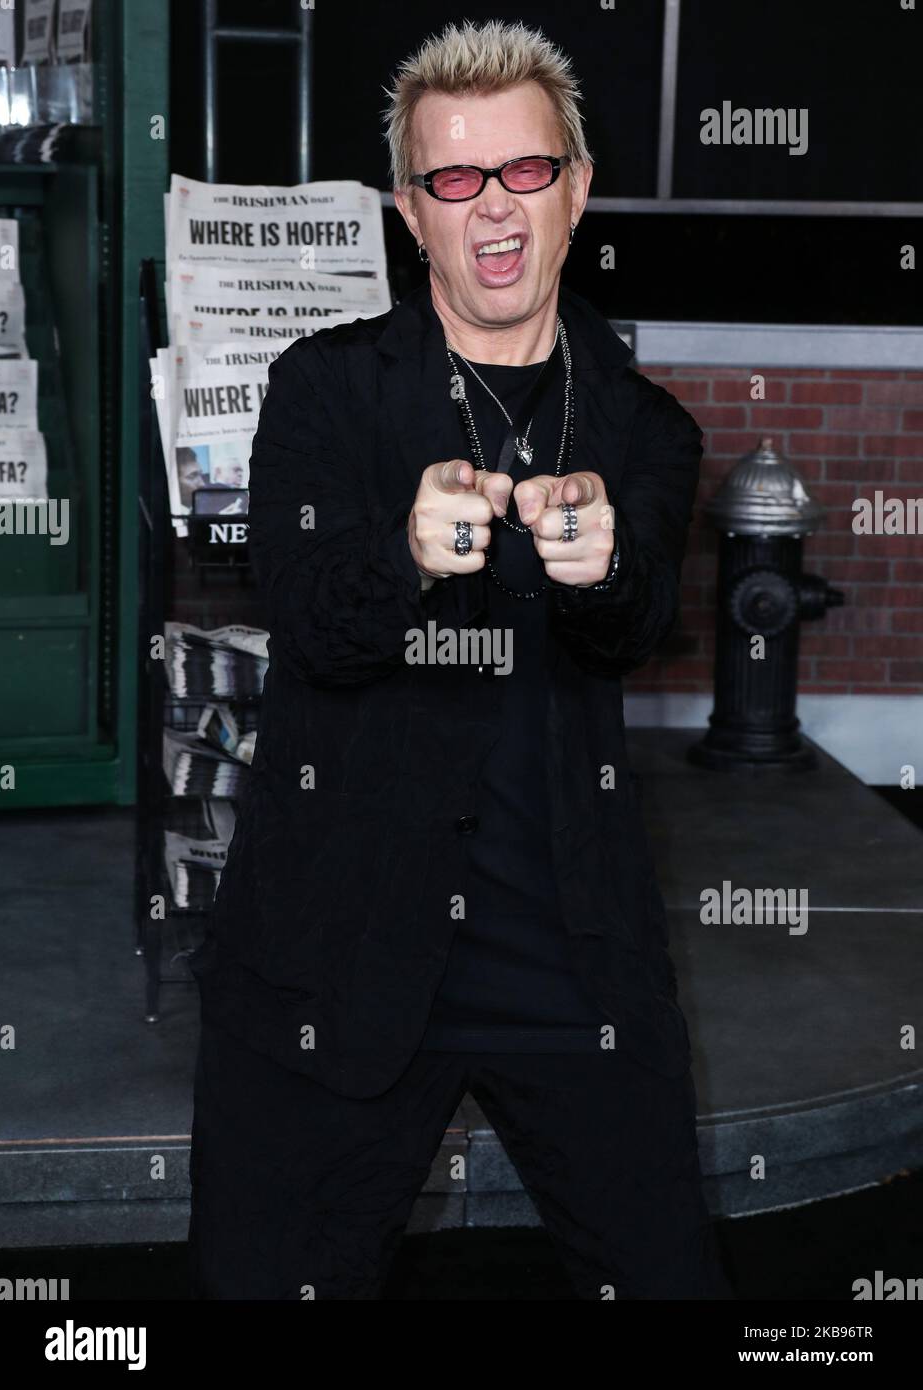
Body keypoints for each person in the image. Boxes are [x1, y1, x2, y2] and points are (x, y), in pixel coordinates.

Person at [186, 18, 732, 1301]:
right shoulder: (322, 390)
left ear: (577, 188)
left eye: (525, 172)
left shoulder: (645, 424)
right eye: (453, 179)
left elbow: (635, 625)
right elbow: (312, 618)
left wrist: (599, 566)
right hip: (337, 940)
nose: (492, 207)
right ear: (410, 212)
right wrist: (403, 553)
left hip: (564, 943)